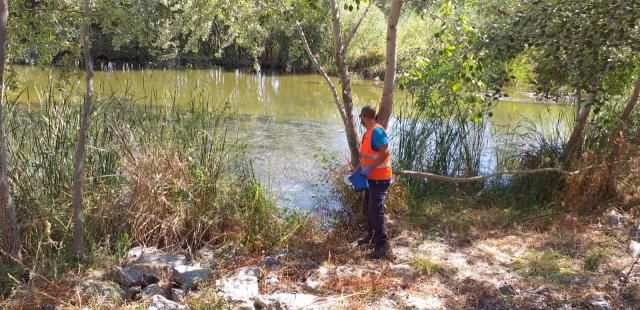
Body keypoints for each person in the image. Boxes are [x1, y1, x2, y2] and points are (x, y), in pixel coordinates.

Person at [355, 105, 393, 259]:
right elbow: (366, 156)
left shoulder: (376, 131)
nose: (361, 121)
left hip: (380, 178)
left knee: (375, 210)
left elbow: (386, 152)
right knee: (368, 207)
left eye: (361, 117)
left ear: (365, 117)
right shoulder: (368, 134)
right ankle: (370, 236)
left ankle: (382, 245)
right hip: (370, 178)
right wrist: (359, 170)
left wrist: (370, 168)